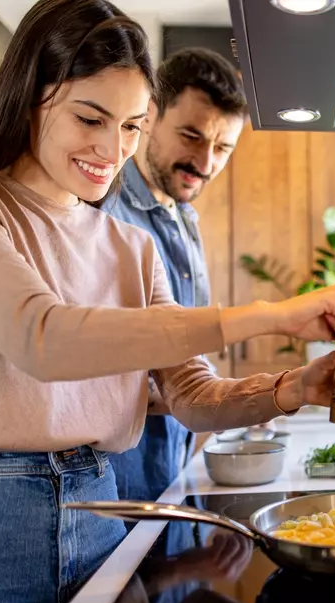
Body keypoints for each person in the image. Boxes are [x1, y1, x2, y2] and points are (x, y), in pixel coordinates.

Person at [0, 1, 335, 603]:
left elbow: (192, 394)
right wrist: (272, 313)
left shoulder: (131, 246)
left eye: (131, 127)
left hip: (97, 511)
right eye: (91, 118)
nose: (111, 150)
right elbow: (43, 339)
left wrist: (290, 387)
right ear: (32, 93)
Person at [105, 47, 246, 508]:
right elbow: (102, 373)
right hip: (116, 482)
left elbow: (180, 354)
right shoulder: (106, 214)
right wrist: (228, 400)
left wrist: (232, 402)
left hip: (172, 469)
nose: (205, 163)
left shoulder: (185, 219)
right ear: (148, 118)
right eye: (191, 136)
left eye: (222, 148)